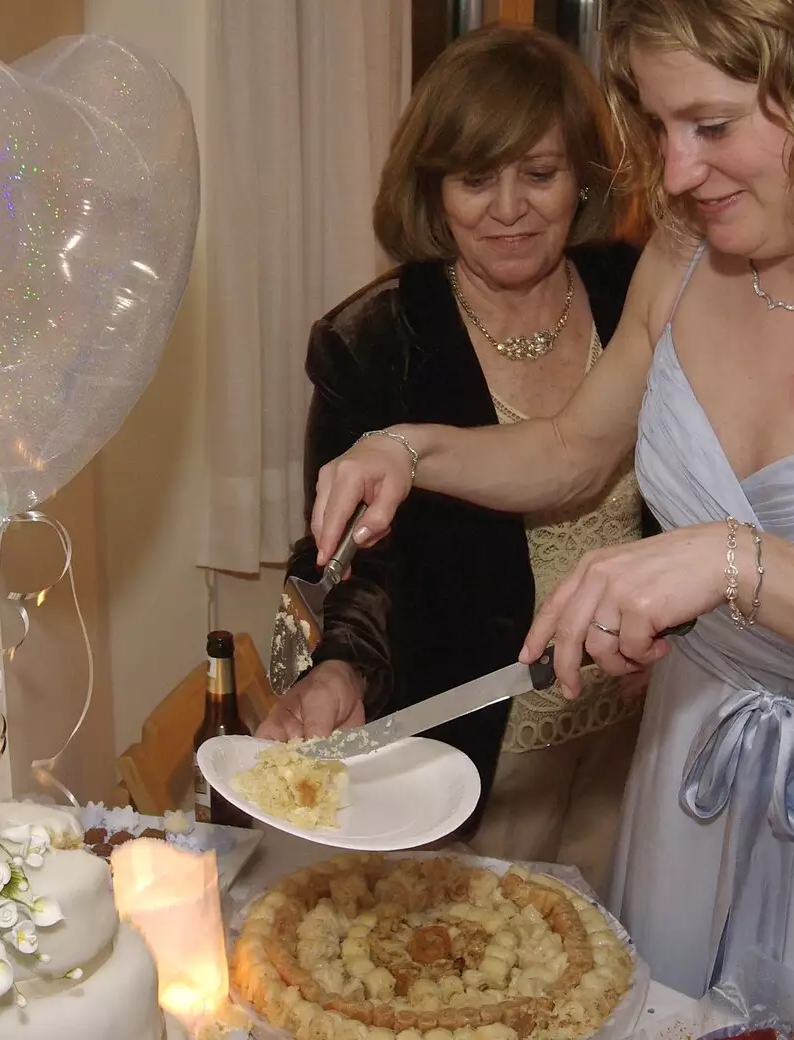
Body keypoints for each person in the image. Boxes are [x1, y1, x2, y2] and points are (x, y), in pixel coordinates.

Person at [302, 2, 794, 1037]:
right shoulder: (681, 255)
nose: (672, 174)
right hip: (680, 774)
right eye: (660, 128)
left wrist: (735, 562)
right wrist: (409, 446)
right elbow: (575, 450)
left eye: (710, 127)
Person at [256, 25, 653, 895]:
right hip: (472, 759)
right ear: (433, 191)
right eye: (476, 179)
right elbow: (349, 561)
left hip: (640, 738)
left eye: (538, 174)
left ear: (581, 177)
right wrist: (337, 667)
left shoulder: (637, 291)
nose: (508, 207)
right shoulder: (373, 340)